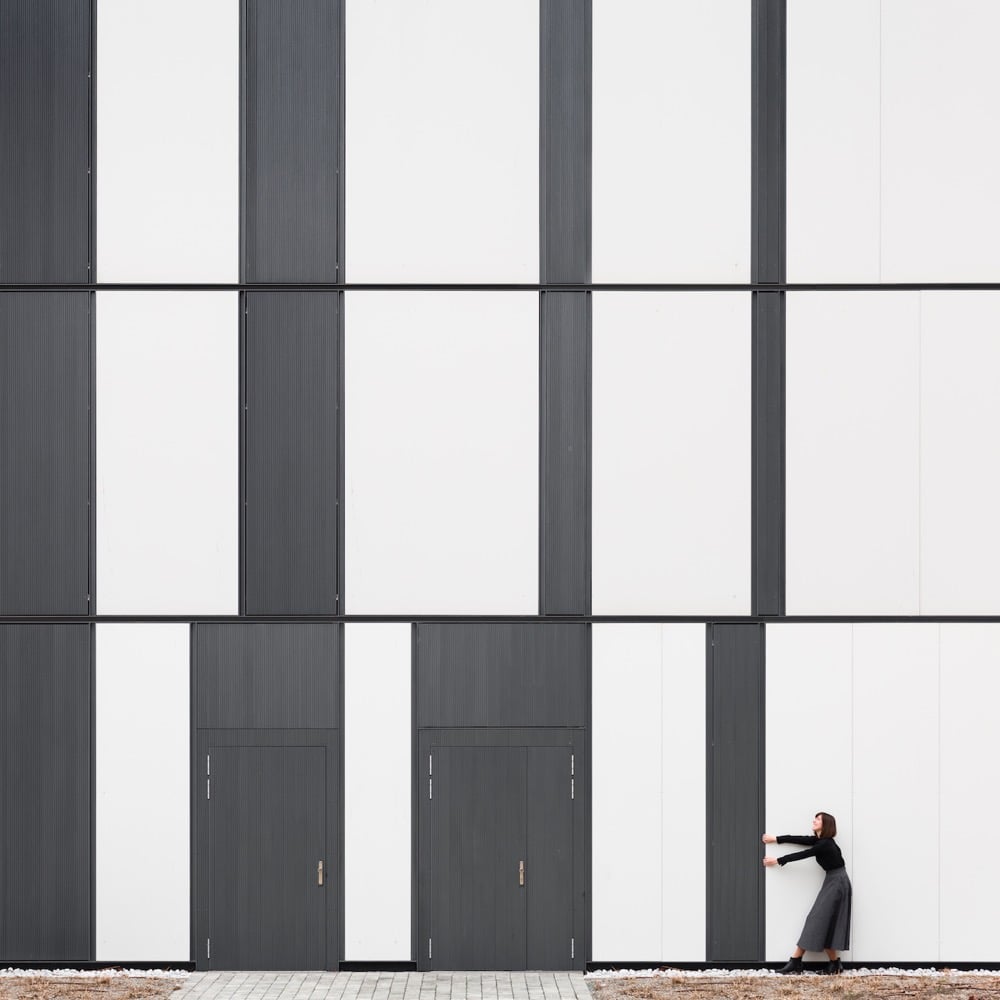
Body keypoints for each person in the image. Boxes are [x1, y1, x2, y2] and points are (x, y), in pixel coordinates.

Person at [761, 812, 852, 976]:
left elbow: (804, 854)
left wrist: (778, 860)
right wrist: (776, 838)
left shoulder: (825, 844)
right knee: (823, 921)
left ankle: (796, 961)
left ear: (826, 825)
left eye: (818, 819)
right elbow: (800, 839)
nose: (814, 820)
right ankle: (833, 964)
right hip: (833, 880)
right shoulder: (819, 841)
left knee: (816, 918)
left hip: (838, 883)